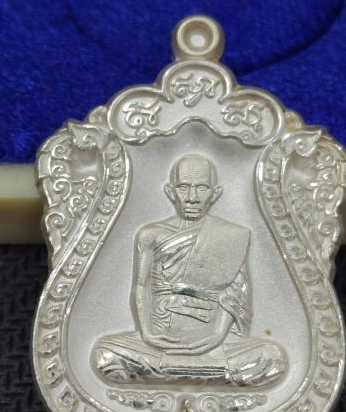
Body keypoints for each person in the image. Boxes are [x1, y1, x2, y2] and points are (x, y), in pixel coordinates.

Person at [92, 154, 287, 386]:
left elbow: (235, 292)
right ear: (170, 191)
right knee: (105, 356)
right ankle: (209, 375)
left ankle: (178, 372)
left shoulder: (231, 236)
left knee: (272, 359)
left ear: (215, 193)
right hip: (159, 340)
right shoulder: (151, 234)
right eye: (184, 187)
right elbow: (141, 285)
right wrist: (147, 334)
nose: (192, 198)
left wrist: (218, 335)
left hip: (214, 342)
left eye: (202, 188)